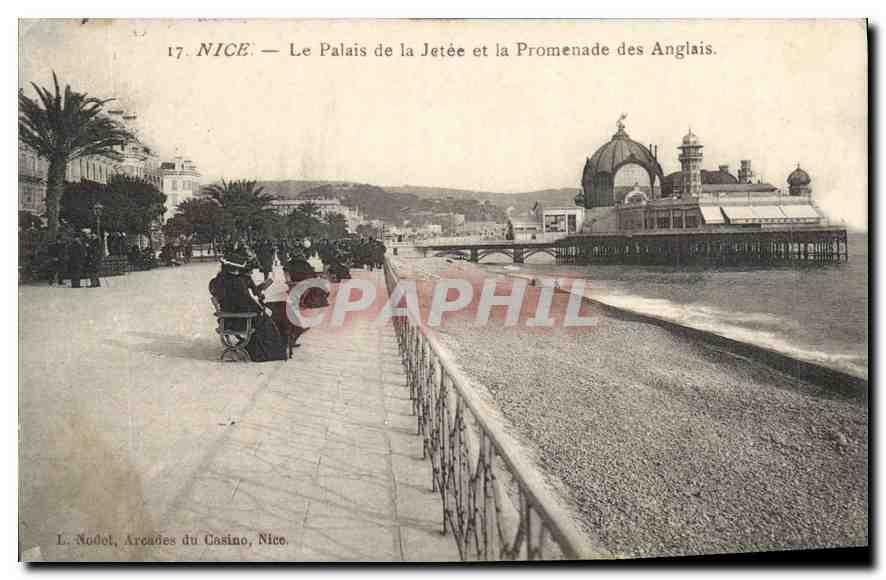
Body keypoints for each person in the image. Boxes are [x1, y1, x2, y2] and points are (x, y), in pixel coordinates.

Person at [208, 250, 288, 362]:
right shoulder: (237, 282)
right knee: (267, 319)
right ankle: (268, 351)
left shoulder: (216, 281)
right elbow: (246, 302)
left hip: (228, 319)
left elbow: (240, 302)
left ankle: (259, 346)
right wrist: (261, 310)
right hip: (240, 320)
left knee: (266, 315)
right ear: (235, 268)